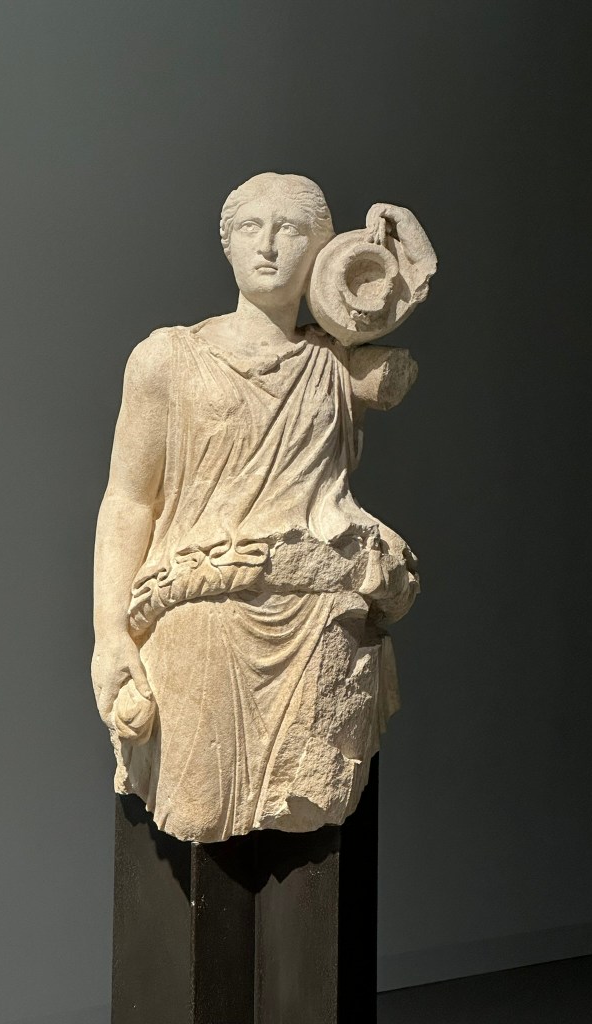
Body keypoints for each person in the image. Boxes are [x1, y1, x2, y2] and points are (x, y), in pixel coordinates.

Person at [92, 173, 421, 843]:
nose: (267, 245)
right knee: (196, 815)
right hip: (201, 610)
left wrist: (401, 258)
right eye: (250, 228)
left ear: (321, 248)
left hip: (320, 616)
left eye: (289, 229)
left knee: (316, 826)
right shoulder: (167, 358)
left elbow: (386, 305)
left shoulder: (337, 367)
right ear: (227, 243)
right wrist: (110, 636)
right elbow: (128, 499)